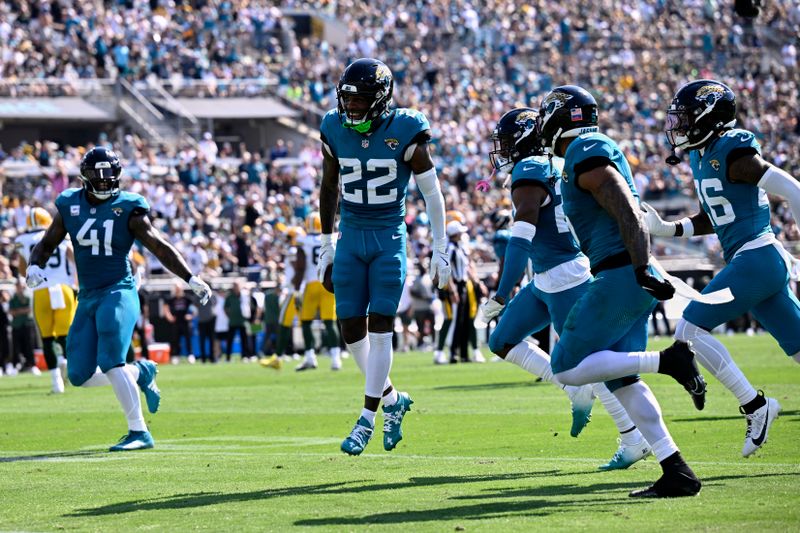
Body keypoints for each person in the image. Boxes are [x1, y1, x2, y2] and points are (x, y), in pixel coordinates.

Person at [534, 85, 705, 497]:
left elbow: (627, 206)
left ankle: (669, 360)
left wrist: (642, 264)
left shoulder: (584, 149)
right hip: (627, 269)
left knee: (566, 368)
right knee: (622, 379)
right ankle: (676, 470)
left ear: (564, 118)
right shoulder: (588, 149)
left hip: (622, 272)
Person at [480, 108, 651, 470]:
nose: (505, 150)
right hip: (546, 277)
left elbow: (520, 239)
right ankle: (572, 388)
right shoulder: (551, 166)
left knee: (589, 363)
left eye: (510, 142)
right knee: (500, 342)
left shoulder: (529, 173)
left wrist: (501, 292)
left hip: (564, 277)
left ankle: (633, 438)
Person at [644, 79, 797, 457]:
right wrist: (669, 228)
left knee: (689, 329)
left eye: (686, 118)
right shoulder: (703, 154)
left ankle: (756, 406)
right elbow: (715, 216)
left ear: (710, 116)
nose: (679, 127)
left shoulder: (734, 149)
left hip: (757, 256)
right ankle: (757, 407)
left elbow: (793, 188)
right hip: (754, 261)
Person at [26, 147, 212, 452]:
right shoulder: (70, 204)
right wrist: (35, 265)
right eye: (97, 177)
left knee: (111, 359)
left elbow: (159, 247)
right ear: (85, 178)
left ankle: (139, 431)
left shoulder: (129, 207)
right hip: (86, 297)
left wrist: (190, 277)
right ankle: (140, 371)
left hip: (119, 289)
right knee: (78, 375)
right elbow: (48, 243)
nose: (103, 182)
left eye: (108, 177)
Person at [317, 58, 451, 455]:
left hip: (389, 237)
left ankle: (367, 418)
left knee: (380, 329)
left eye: (360, 101)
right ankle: (394, 401)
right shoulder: (333, 127)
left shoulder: (405, 129)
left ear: (380, 99)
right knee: (351, 332)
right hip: (351, 236)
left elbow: (432, 192)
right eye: (348, 100)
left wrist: (440, 245)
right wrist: (325, 244)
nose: (352, 108)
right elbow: (329, 187)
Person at [15, 206, 76, 393]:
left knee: (47, 337)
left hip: (41, 291)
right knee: (66, 335)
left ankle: (56, 381)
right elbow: (74, 258)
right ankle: (66, 363)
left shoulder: (22, 240)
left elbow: (22, 269)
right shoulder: (61, 236)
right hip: (64, 289)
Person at [293, 212, 342, 371]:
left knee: (306, 322)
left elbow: (300, 267)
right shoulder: (334, 237)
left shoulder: (303, 241)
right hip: (328, 283)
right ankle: (335, 358)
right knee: (330, 322)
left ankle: (310, 357)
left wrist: (295, 289)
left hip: (311, 284)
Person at [9, 278, 37, 375]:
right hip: (16, 325)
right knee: (16, 347)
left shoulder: (28, 297)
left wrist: (18, 311)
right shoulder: (13, 299)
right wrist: (21, 311)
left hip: (27, 325)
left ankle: (32, 365)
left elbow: (29, 310)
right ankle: (16, 365)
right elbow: (11, 312)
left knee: (29, 345)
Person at [162, 283, 196, 364]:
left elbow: (195, 309)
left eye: (179, 289)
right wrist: (169, 316)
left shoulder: (187, 298)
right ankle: (175, 356)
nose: (178, 291)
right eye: (176, 289)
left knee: (188, 339)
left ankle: (190, 355)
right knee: (175, 340)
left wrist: (191, 316)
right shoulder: (171, 299)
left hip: (185, 322)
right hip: (175, 322)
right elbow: (165, 308)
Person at [223, 280, 252, 362]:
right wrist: (229, 316)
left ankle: (245, 356)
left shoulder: (245, 295)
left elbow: (251, 307)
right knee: (230, 340)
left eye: (237, 285)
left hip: (243, 321)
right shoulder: (229, 296)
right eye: (234, 285)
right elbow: (225, 308)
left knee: (245, 340)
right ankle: (228, 357)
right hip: (232, 321)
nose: (236, 287)